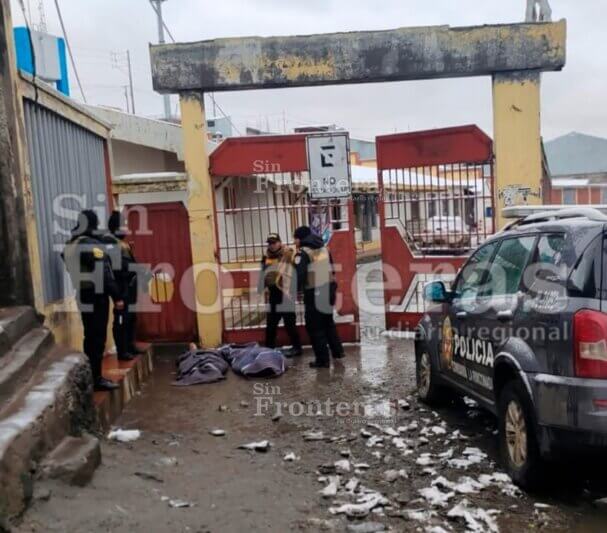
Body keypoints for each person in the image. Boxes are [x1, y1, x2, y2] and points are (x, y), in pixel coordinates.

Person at [62, 210, 123, 391]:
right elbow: (102, 272)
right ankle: (96, 379)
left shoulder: (71, 243)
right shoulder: (89, 244)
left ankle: (91, 376)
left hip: (82, 293)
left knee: (90, 336)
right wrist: (117, 296)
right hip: (96, 295)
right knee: (97, 338)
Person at [293, 226, 345, 368]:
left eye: (295, 238)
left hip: (314, 292)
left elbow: (300, 275)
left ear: (300, 238)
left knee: (315, 327)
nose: (294, 242)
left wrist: (294, 291)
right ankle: (338, 352)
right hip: (329, 289)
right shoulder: (324, 248)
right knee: (328, 322)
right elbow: (332, 268)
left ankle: (322, 360)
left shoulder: (303, 253)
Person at [103, 210, 143, 361]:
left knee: (131, 318)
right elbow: (119, 268)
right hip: (121, 288)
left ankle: (129, 345)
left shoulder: (121, 244)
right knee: (121, 320)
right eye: (124, 225)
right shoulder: (112, 244)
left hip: (129, 287)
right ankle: (122, 350)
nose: (127, 228)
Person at [258, 232, 302, 357]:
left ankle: (297, 347)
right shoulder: (266, 256)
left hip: (286, 293)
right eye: (270, 243)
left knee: (289, 323)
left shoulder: (288, 254)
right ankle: (269, 348)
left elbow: (296, 273)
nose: (271, 245)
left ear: (279, 242)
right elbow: (263, 272)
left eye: (274, 242)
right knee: (271, 324)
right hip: (274, 293)